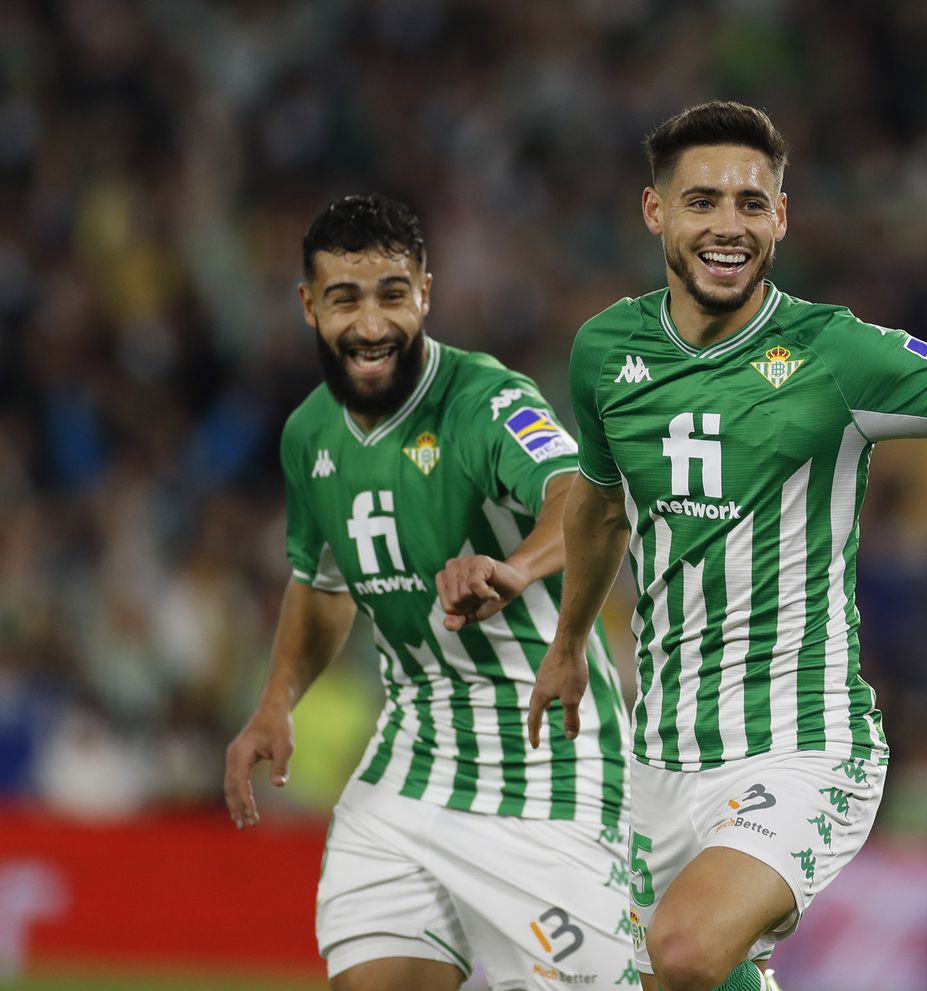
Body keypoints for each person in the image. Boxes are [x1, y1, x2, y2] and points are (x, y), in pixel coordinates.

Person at [524, 101, 927, 991]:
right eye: (702, 201)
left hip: (802, 741)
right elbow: (600, 508)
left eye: (751, 204)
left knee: (683, 948)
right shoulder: (605, 352)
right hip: (661, 749)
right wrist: (569, 643)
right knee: (665, 975)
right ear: (656, 212)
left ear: (782, 217)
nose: (728, 226)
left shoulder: (835, 353)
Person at [223, 194, 636, 991]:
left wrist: (514, 568)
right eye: (345, 298)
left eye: (392, 294)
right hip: (413, 758)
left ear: (426, 294)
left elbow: (586, 497)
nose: (371, 323)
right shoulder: (308, 435)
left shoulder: (485, 400)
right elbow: (323, 583)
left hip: (544, 757)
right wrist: (276, 700)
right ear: (309, 305)